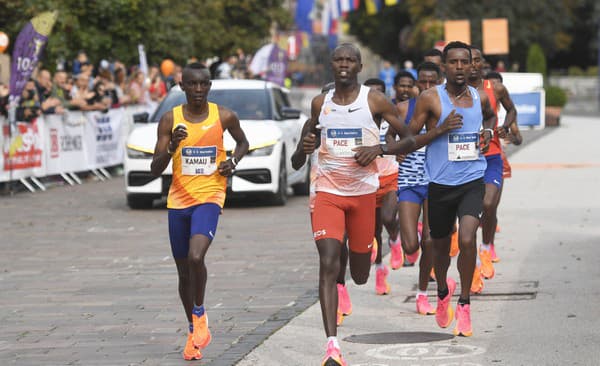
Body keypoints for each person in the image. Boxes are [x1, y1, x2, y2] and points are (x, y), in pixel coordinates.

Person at [300, 43, 415, 366]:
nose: (344, 64)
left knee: (361, 273)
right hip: (328, 194)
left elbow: (408, 138)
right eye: (339, 59)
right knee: (328, 261)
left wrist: (378, 149)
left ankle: (362, 255)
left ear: (360, 65)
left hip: (364, 194)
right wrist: (305, 146)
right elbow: (299, 156)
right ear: (332, 64)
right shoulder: (320, 104)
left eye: (350, 60)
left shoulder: (374, 100)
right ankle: (332, 346)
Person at [150, 63, 249, 361]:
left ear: (209, 85)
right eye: (191, 85)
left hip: (210, 196)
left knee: (196, 257)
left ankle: (200, 311)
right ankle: (193, 332)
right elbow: (155, 168)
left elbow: (243, 142)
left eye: (203, 84)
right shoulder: (170, 119)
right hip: (178, 201)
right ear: (182, 87)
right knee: (183, 273)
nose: (197, 90)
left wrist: (233, 161)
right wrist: (172, 148)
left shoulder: (224, 115)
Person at [408, 41, 497, 337]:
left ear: (473, 65)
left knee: (469, 238)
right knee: (440, 249)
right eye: (454, 62)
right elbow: (410, 139)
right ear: (444, 66)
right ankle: (444, 290)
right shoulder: (430, 99)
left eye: (465, 62)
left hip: (472, 180)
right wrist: (439, 130)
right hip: (440, 185)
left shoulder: (479, 96)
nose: (460, 67)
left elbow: (489, 117)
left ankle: (465, 304)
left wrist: (486, 132)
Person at [387, 61, 442, 315]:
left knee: (429, 240)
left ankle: (422, 293)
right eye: (423, 82)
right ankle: (401, 242)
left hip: (437, 180)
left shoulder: (444, 107)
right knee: (411, 246)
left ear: (440, 80)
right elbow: (389, 135)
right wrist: (394, 150)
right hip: (409, 180)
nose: (427, 86)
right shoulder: (402, 108)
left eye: (433, 81)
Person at [468, 46, 517, 284]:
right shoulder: (451, 92)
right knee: (467, 215)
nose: (473, 65)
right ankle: (475, 262)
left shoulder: (494, 88)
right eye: (469, 61)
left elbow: (511, 109)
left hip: (491, 155)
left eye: (477, 61)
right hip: (463, 159)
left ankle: (486, 247)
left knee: (488, 204)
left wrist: (505, 127)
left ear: (482, 64)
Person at [362, 78, 402, 296]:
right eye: (370, 93)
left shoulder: (391, 115)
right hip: (366, 180)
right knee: (373, 230)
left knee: (388, 218)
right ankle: (379, 270)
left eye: (379, 93)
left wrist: (386, 148)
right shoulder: (357, 117)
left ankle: (395, 238)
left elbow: (406, 136)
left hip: (389, 176)